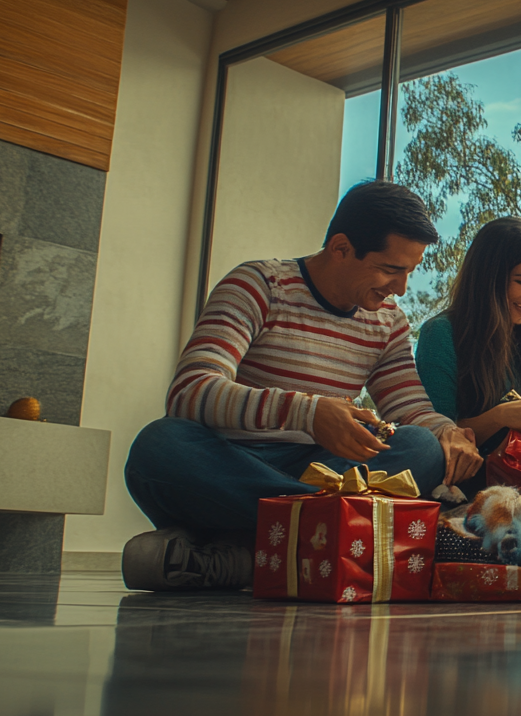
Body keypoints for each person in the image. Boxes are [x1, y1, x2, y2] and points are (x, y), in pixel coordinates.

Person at [120, 181, 477, 591]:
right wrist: (307, 413)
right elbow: (191, 391)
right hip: (231, 462)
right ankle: (326, 537)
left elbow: (410, 409)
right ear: (341, 248)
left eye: (409, 272)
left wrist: (447, 432)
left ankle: (245, 552)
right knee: (160, 446)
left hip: (323, 472)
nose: (400, 288)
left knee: (420, 446)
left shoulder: (387, 322)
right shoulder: (259, 285)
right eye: (391, 269)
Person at [414, 217, 521, 466]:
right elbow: (436, 433)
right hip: (461, 485)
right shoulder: (441, 335)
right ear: (488, 279)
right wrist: (499, 417)